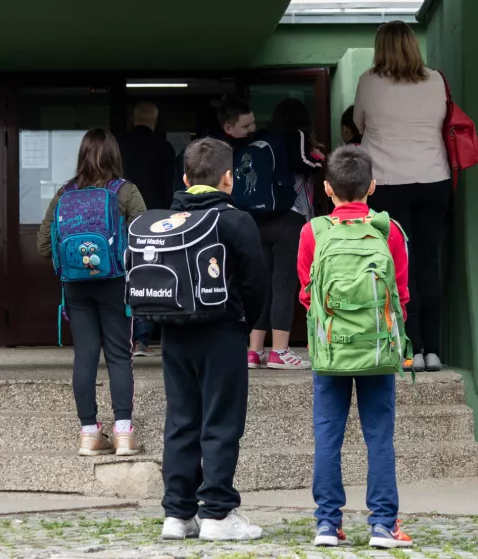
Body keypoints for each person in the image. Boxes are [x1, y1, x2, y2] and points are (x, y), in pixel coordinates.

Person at [297, 145, 412, 550]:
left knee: (328, 436)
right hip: (377, 351)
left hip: (330, 353)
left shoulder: (312, 232)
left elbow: (308, 296)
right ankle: (383, 525)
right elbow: (401, 295)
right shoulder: (390, 231)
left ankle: (327, 524)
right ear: (373, 186)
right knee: (379, 437)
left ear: (327, 189)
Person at [159, 138, 268, 541]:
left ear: (186, 179)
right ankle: (219, 514)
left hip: (174, 334)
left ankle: (177, 513)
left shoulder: (168, 219)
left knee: (181, 420)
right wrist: (245, 323)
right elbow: (257, 283)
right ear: (228, 178)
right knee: (220, 422)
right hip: (222, 331)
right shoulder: (237, 220)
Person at [36, 128, 147, 457]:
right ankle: (124, 434)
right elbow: (144, 239)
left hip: (75, 288)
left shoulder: (64, 194)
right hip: (115, 284)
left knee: (84, 357)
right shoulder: (125, 192)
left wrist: (72, 263)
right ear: (115, 155)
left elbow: (43, 243)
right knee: (118, 356)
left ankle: (89, 434)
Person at [354, 20, 452, 372]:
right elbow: (441, 121)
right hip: (433, 179)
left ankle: (408, 351)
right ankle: (433, 351)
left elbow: (359, 122)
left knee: (396, 267)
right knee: (429, 263)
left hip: (388, 183)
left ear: (381, 48)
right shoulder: (436, 79)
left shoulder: (369, 81)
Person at [248, 98, 324, 370]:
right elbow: (304, 163)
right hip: (288, 219)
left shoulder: (262, 139)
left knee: (263, 284)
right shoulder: (297, 136)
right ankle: (280, 351)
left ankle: (254, 351)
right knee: (283, 284)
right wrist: (319, 159)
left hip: (258, 220)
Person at [119, 101, 176, 357]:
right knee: (149, 275)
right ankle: (143, 340)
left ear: (133, 118)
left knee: (123, 274)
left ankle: (123, 336)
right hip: (154, 220)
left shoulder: (120, 146)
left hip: (122, 218)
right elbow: (168, 188)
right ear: (155, 121)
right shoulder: (163, 148)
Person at [172, 97, 256, 193]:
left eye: (253, 123)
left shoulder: (257, 148)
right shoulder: (201, 154)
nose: (253, 129)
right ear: (228, 128)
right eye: (245, 126)